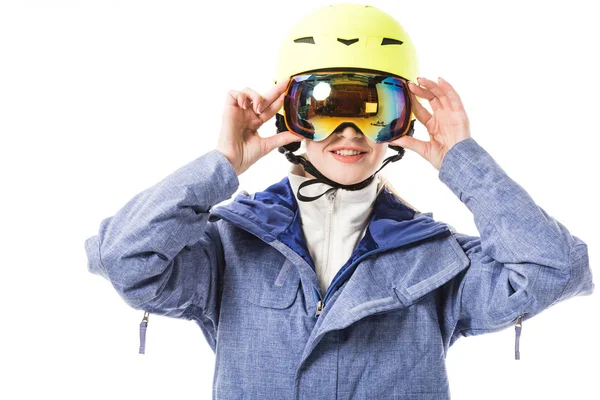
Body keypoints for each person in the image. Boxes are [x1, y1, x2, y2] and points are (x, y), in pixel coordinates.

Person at [84, 4, 594, 399]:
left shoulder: (441, 260)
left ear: (403, 124)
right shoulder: (228, 247)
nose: (351, 133)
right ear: (289, 118)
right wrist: (223, 163)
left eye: (376, 109)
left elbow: (555, 269)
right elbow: (124, 259)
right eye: (325, 107)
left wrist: (462, 161)